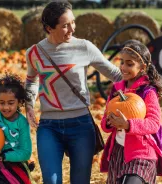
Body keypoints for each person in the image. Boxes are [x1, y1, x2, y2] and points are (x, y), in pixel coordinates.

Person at [24, 1, 122, 183]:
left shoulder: (84, 47)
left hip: (81, 126)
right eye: (65, 25)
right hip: (48, 127)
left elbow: (116, 74)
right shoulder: (34, 53)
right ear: (48, 28)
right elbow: (31, 79)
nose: (72, 29)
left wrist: (144, 85)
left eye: (73, 23)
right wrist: (29, 105)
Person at [100, 40, 162, 184]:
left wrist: (128, 124)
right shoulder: (117, 89)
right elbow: (104, 124)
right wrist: (110, 121)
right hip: (118, 153)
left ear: (142, 67)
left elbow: (154, 123)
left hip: (141, 153)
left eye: (130, 64)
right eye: (122, 62)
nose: (123, 67)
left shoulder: (147, 92)